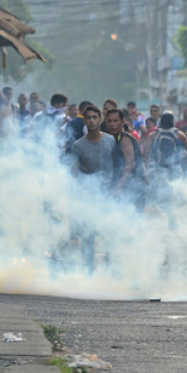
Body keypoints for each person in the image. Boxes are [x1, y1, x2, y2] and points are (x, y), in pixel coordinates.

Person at [71, 106, 115, 272]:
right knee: (88, 235)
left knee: (110, 233)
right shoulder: (78, 145)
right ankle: (88, 271)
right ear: (84, 120)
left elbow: (117, 165)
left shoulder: (111, 140)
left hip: (108, 194)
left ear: (100, 119)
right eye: (88, 117)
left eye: (94, 117)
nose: (91, 121)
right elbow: (75, 171)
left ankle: (111, 269)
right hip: (88, 195)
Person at [104, 108, 145, 210]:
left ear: (122, 122)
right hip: (126, 188)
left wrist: (118, 188)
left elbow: (130, 165)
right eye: (109, 121)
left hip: (131, 189)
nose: (112, 124)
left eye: (115, 121)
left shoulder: (125, 139)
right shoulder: (114, 139)